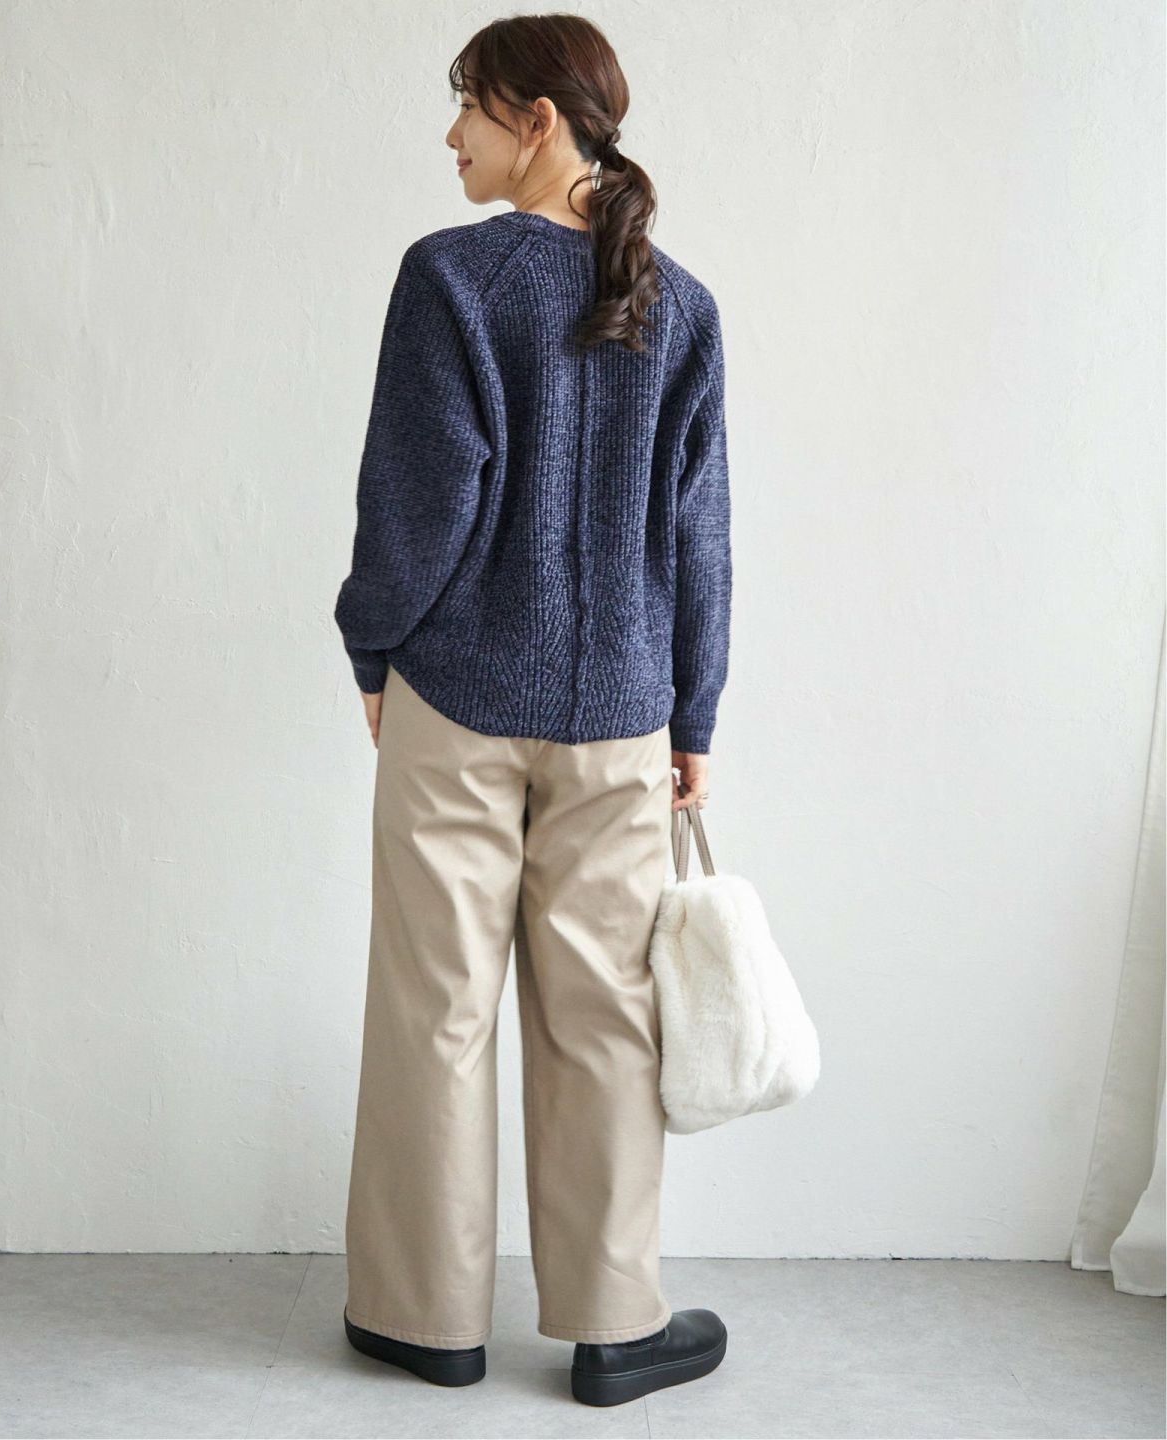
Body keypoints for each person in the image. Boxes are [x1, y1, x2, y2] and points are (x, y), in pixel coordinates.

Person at [333, 13, 732, 1410]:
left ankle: (423, 1318)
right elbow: (699, 535)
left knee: (435, 1009)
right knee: (605, 1020)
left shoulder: (449, 278)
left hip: (454, 701)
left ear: (539, 121)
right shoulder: (682, 305)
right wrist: (694, 718)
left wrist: (373, 647)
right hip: (621, 717)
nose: (453, 136)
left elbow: (416, 501)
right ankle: (616, 1328)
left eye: (470, 107)